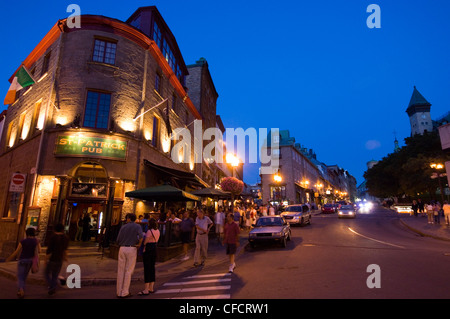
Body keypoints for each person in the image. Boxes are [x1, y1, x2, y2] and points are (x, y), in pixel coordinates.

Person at [6, 227, 41, 298]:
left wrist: (9, 258)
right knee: (24, 276)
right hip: (30, 261)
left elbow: (16, 252)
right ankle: (20, 290)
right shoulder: (36, 241)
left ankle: (21, 290)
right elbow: (40, 251)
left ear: (27, 233)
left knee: (20, 276)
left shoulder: (23, 241)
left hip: (22, 260)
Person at [116, 213, 143, 298]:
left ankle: (119, 292)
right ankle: (125, 292)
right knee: (128, 270)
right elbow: (141, 236)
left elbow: (118, 239)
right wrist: (139, 244)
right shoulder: (137, 226)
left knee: (120, 270)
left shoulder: (123, 227)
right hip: (131, 248)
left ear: (128, 219)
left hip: (122, 248)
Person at [45, 223, 69, 296]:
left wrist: (45, 259)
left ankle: (52, 286)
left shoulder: (53, 237)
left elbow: (49, 250)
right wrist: (65, 257)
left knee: (46, 273)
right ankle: (53, 286)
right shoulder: (65, 238)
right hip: (59, 259)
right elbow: (65, 250)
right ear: (62, 229)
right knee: (55, 275)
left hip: (52, 259)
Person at [138, 218, 160, 295]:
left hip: (148, 249)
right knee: (152, 268)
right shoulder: (157, 231)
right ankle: (151, 287)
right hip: (154, 249)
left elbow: (145, 242)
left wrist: (143, 244)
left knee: (147, 268)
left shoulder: (149, 231)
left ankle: (146, 289)